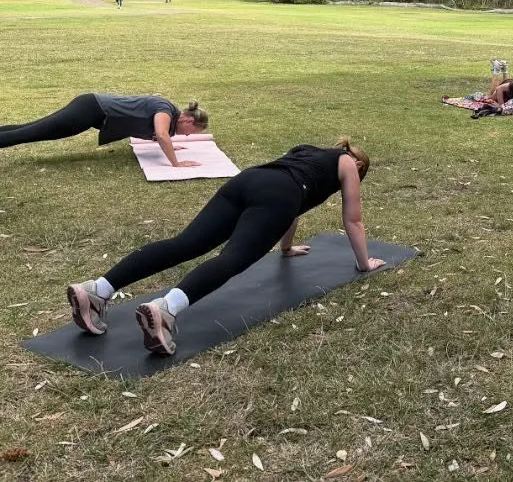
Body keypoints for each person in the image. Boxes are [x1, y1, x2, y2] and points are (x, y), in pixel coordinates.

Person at [67, 136, 387, 355]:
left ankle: (97, 289)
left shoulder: (305, 151)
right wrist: (363, 263)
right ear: (360, 167)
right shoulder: (348, 164)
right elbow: (353, 220)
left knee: (185, 243)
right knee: (232, 259)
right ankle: (165, 310)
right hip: (279, 196)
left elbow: (293, 208)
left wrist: (287, 248)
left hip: (248, 181)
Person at [0, 95, 208, 168]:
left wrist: (171, 146)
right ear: (188, 119)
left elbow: (160, 136)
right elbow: (161, 135)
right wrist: (176, 163)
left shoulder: (169, 115)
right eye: (191, 131)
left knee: (33, 129)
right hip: (90, 110)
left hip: (91, 110)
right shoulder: (165, 111)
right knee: (33, 132)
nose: (188, 135)